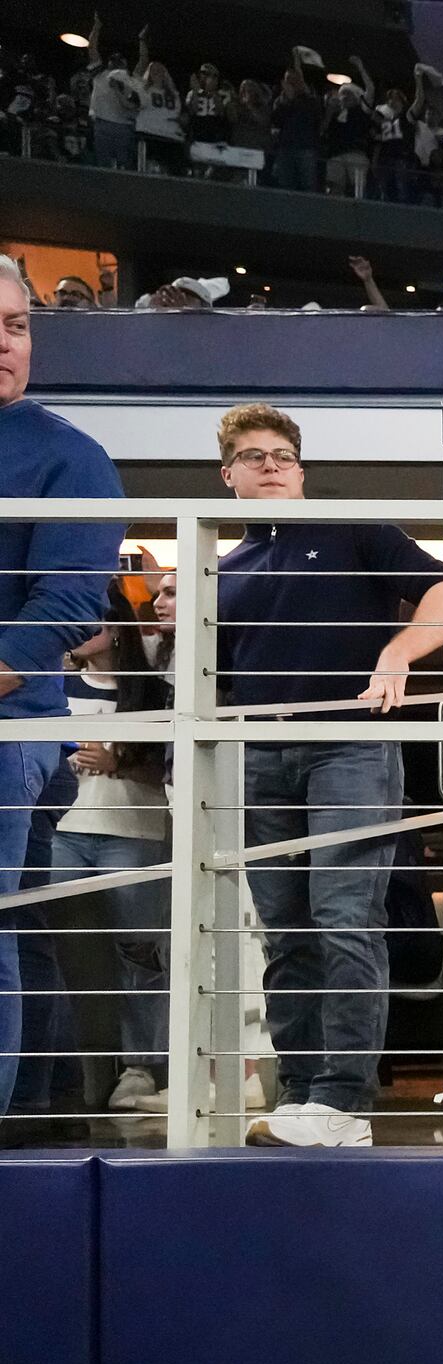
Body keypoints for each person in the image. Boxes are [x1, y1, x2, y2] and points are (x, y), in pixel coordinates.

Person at [212, 401, 443, 1146]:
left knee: (345, 916)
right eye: (254, 455)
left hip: (350, 746)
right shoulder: (225, 567)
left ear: (300, 470)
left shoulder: (352, 528)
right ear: (227, 473)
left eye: (282, 456)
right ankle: (299, 1094)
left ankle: (342, 1099)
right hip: (260, 750)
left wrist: (398, 652)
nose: (270, 465)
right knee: (286, 929)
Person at [0, 256, 128, 1122]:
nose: (5, 343)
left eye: (15, 325)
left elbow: (69, 604)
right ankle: (35, 1119)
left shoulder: (68, 456)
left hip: (13, 728)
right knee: (23, 932)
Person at [52, 577, 174, 1113]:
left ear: (113, 624)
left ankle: (141, 1068)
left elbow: (175, 763)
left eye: (86, 618)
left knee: (140, 952)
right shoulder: (51, 680)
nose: (74, 630)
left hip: (133, 829)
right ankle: (61, 1074)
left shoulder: (150, 682)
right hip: (63, 830)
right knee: (52, 950)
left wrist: (120, 760)